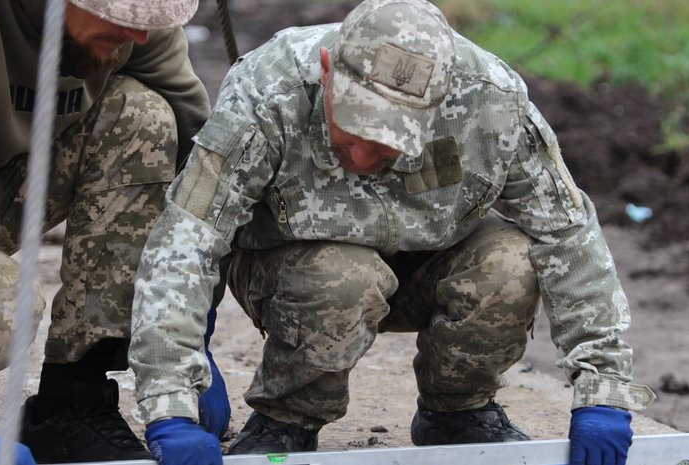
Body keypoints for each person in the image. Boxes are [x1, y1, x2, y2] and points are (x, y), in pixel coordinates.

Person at [129, 0, 657, 464]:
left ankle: (457, 413)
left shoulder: (491, 101)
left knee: (512, 263)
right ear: (328, 69)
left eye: (389, 142)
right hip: (294, 274)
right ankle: (288, 422)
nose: (362, 156)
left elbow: (567, 231)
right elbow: (189, 237)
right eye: (353, 128)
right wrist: (173, 393)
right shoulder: (270, 92)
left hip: (429, 261)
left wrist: (602, 388)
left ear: (442, 101)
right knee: (343, 275)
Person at [0, 0, 231, 463]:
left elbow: (202, 168)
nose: (139, 37)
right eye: (126, 18)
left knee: (140, 115)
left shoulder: (133, 27)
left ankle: (72, 405)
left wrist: (194, 334)